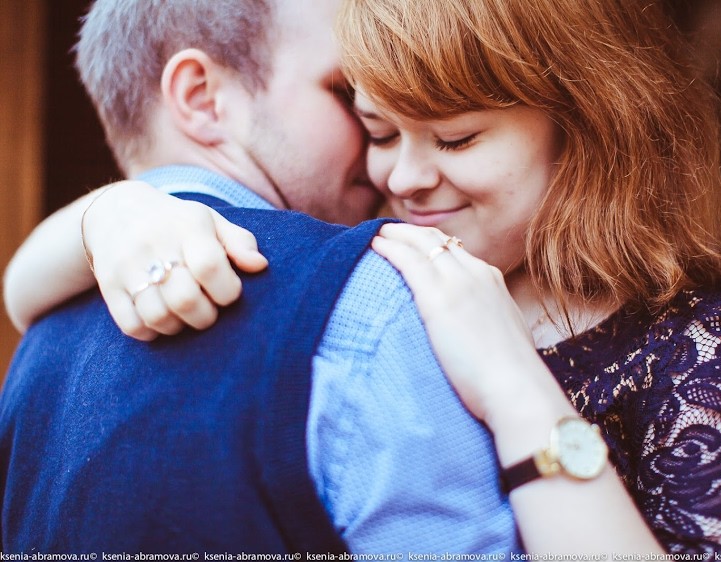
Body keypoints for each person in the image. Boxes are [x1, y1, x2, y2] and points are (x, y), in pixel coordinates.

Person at [4, 0, 721, 556]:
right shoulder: (366, 281)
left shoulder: (707, 343)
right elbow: (24, 293)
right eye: (379, 131)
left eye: (455, 139)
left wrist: (513, 386)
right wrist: (109, 215)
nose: (402, 177)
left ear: (582, 126)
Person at [0, 0, 521, 554]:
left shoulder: (34, 348)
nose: (380, 132)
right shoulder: (370, 297)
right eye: (344, 90)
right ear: (202, 98)